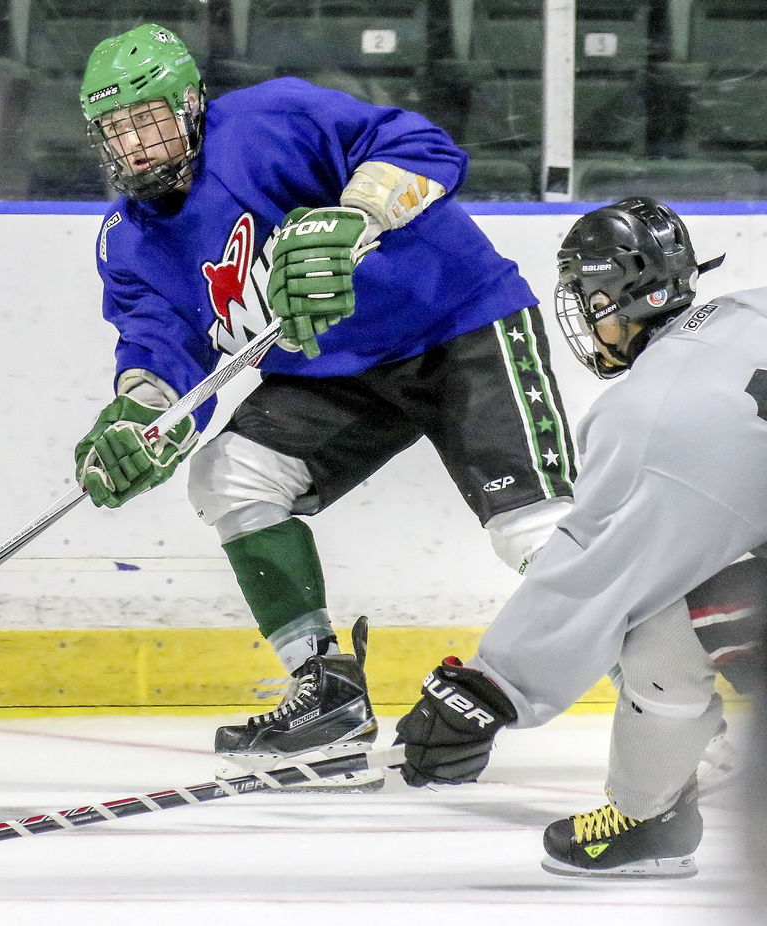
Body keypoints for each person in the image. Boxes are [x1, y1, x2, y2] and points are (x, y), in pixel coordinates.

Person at [70, 23, 576, 782]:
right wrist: (143, 418)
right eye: (118, 131)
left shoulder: (267, 121)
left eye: (149, 121)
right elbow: (159, 350)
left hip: (455, 322)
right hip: (335, 371)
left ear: (191, 104)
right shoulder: (129, 242)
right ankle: (324, 692)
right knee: (228, 476)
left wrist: (356, 216)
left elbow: (427, 149)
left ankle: (675, 690)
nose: (136, 146)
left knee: (535, 533)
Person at [393, 196, 767, 877]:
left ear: (608, 301)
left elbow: (599, 570)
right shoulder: (753, 309)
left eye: (586, 299)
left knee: (666, 627)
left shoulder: (646, 414)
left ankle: (647, 819)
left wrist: (489, 689)